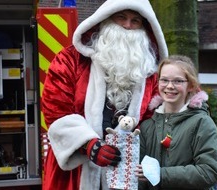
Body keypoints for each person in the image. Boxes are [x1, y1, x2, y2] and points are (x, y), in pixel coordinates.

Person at [41, 0, 168, 189]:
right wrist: (88, 145)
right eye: (121, 17)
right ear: (106, 19)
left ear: (145, 27)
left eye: (135, 21)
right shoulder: (70, 59)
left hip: (126, 173)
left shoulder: (150, 74)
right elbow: (55, 110)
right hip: (77, 172)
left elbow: (155, 120)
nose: (127, 26)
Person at [135, 55, 217, 189]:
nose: (170, 86)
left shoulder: (202, 123)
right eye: (164, 80)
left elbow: (209, 171)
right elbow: (138, 176)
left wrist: (161, 174)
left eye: (178, 81)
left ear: (191, 86)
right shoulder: (147, 126)